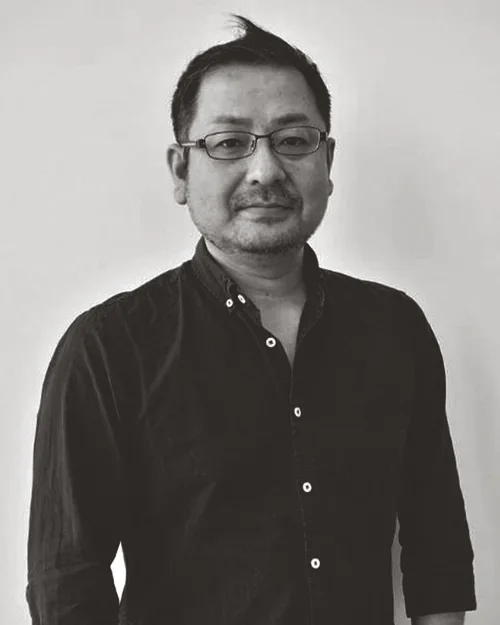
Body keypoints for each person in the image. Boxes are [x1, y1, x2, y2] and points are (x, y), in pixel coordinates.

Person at [26, 14, 477, 625]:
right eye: (229, 142)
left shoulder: (395, 329)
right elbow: (67, 582)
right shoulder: (108, 347)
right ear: (181, 171)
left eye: (293, 140)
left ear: (328, 161)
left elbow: (435, 544)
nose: (265, 170)